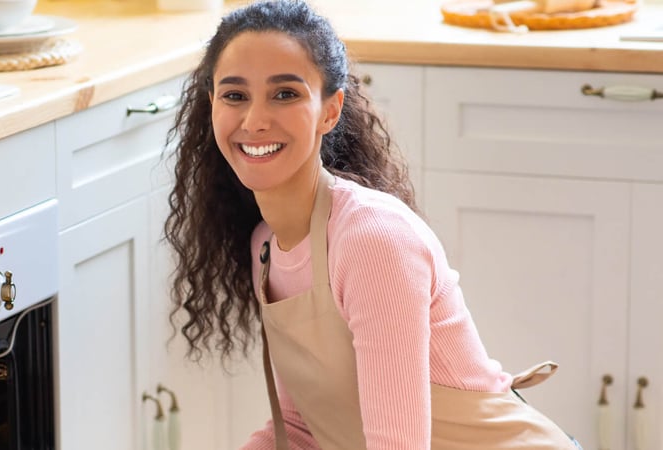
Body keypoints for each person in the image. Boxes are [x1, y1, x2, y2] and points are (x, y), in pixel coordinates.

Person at [162, 1, 580, 448]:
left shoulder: (372, 241)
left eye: (285, 94)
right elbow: (302, 428)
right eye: (235, 95)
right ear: (212, 106)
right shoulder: (265, 248)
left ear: (330, 109)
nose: (255, 120)